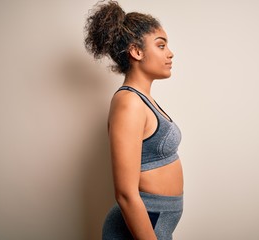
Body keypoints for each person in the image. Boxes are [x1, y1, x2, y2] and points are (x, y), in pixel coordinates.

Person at [84, 1, 183, 239]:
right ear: (136, 51)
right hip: (139, 228)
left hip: (155, 222)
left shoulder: (142, 100)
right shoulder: (128, 103)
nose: (170, 53)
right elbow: (126, 194)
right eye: (161, 45)